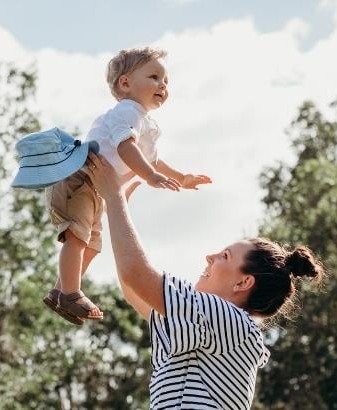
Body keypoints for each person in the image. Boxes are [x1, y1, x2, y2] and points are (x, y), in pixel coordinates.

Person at [85, 153, 326, 409]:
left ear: (243, 283)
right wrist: (117, 208)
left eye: (224, 256)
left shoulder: (230, 320)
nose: (209, 257)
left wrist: (114, 196)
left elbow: (136, 274)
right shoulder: (215, 326)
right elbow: (135, 287)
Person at [42, 47, 212, 325]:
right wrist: (148, 176)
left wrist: (182, 177)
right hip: (80, 177)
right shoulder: (126, 112)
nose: (163, 85)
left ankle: (61, 291)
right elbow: (126, 149)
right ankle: (71, 292)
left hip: (96, 187)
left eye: (166, 81)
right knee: (78, 237)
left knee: (93, 245)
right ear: (125, 83)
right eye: (155, 77)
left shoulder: (145, 122)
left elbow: (153, 160)